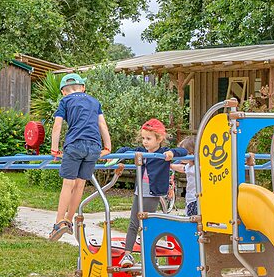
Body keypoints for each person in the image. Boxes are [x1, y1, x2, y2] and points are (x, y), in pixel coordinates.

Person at [48, 73, 112, 241]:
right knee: (80, 185)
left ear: (63, 92)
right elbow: (102, 125)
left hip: (75, 144)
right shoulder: (94, 101)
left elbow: (57, 126)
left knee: (68, 183)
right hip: (94, 147)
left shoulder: (65, 101)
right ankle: (69, 220)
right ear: (83, 88)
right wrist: (108, 147)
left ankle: (58, 223)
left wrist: (54, 150)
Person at [116, 119, 187, 252]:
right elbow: (125, 150)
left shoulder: (163, 152)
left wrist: (172, 154)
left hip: (152, 193)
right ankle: (127, 253)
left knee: (146, 224)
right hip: (140, 192)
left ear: (159, 139)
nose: (145, 141)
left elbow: (183, 151)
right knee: (133, 223)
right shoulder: (141, 151)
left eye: (148, 138)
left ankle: (149, 254)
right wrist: (115, 156)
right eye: (143, 138)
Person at [174, 135, 199, 218]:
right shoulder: (189, 166)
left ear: (192, 153)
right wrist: (170, 165)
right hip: (190, 199)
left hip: (197, 200)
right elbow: (182, 168)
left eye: (183, 153)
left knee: (193, 221)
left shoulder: (198, 167)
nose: (180, 155)